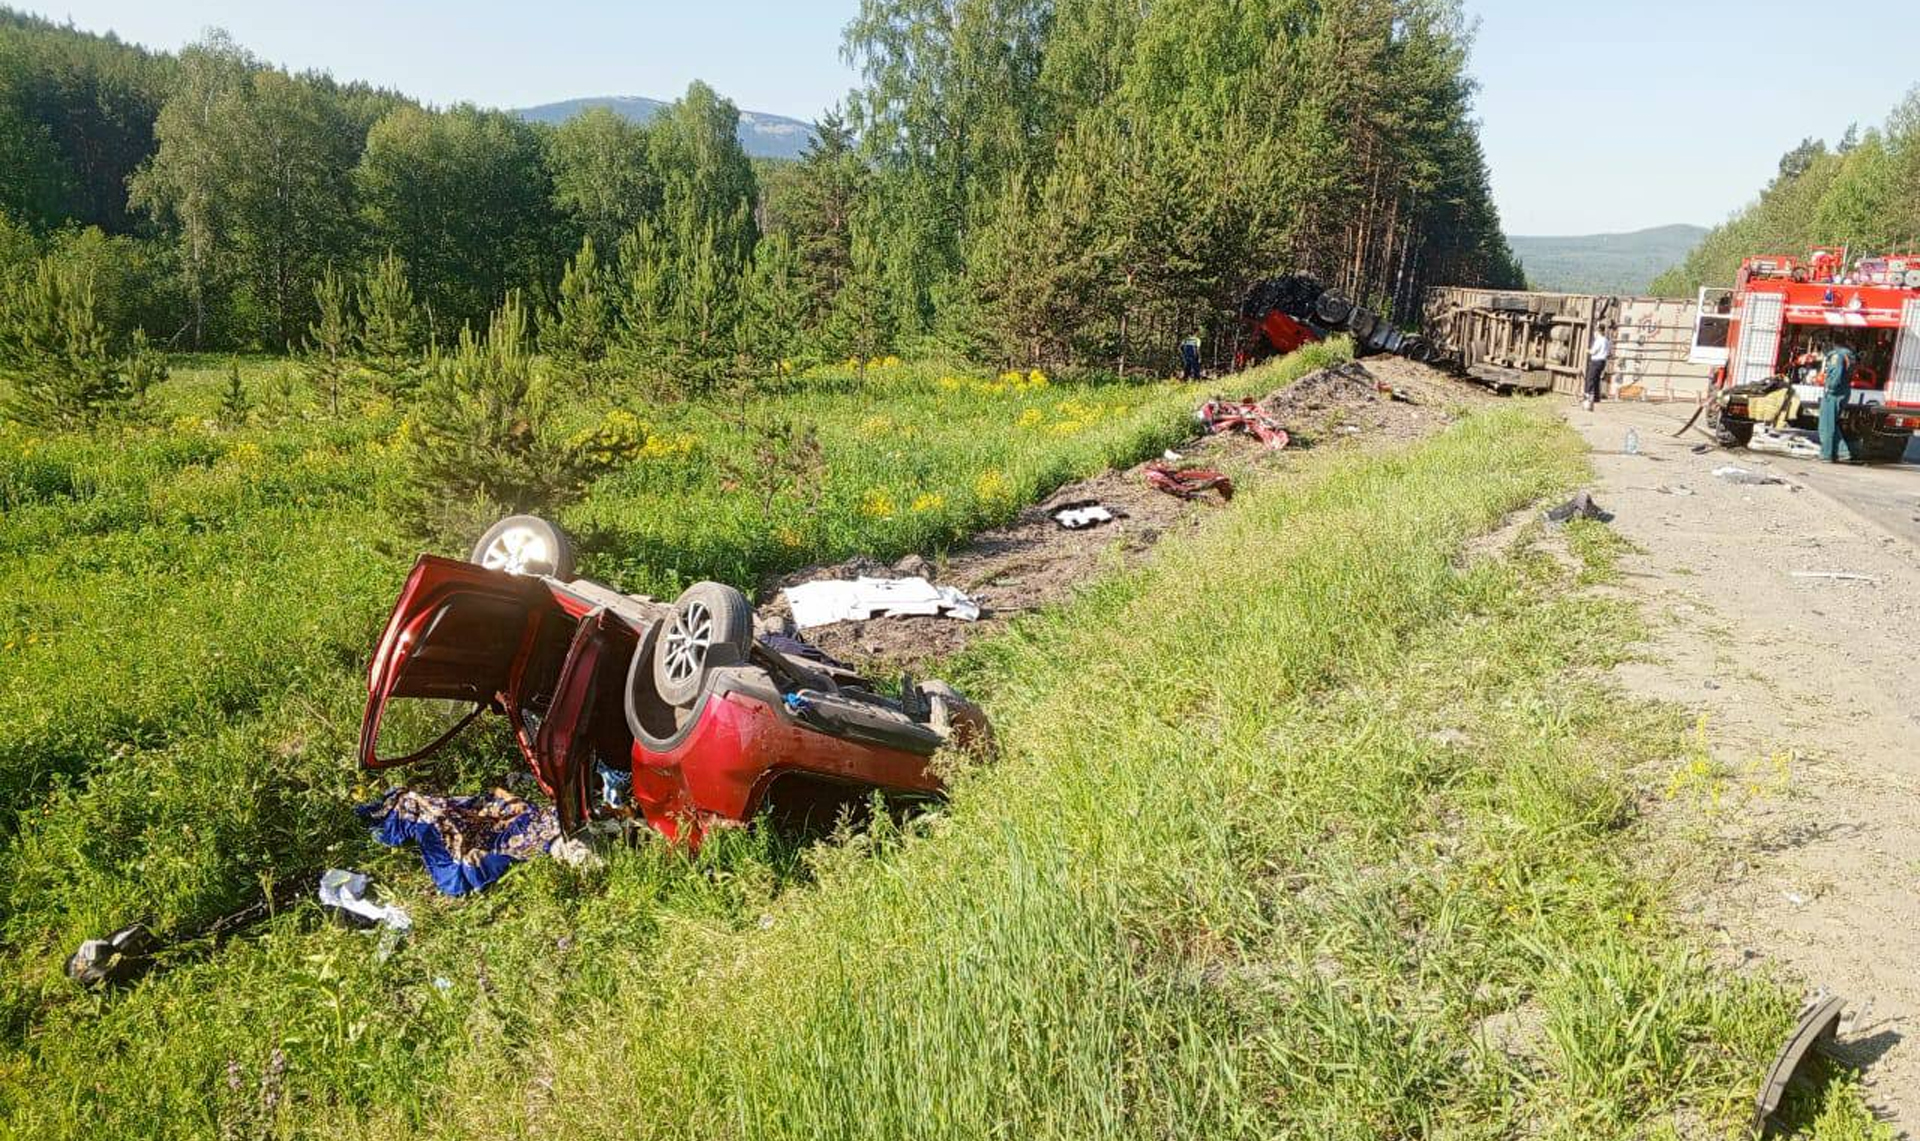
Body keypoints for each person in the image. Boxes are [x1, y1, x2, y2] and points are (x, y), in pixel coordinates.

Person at [1818, 342, 1858, 463]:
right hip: (1843, 392)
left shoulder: (1836, 356)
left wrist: (1830, 388)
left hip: (1834, 393)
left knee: (1826, 426)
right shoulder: (1847, 355)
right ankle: (1842, 453)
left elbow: (1836, 373)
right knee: (1832, 424)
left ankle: (1826, 454)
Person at [1583, 326, 1611, 411]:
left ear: (1598, 332)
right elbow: (1609, 353)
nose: (1594, 334)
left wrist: (1587, 350)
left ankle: (1588, 396)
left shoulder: (1599, 340)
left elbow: (1593, 351)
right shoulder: (1606, 341)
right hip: (1602, 362)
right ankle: (1596, 397)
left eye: (1595, 332)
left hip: (1596, 361)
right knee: (1597, 379)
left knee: (1591, 378)